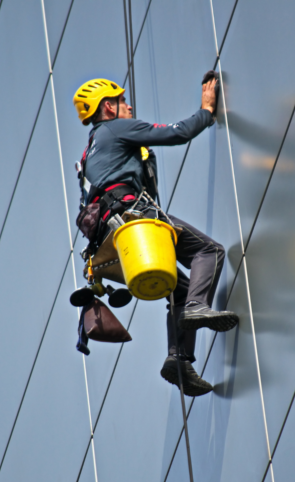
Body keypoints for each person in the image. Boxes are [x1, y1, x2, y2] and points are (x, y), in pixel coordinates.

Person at [73, 75, 238, 397]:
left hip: (110, 237)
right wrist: (206, 110)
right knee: (209, 251)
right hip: (133, 217)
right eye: (122, 101)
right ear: (108, 107)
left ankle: (179, 360)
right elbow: (178, 133)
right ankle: (197, 307)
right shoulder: (114, 128)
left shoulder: (90, 151)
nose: (129, 106)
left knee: (181, 288)